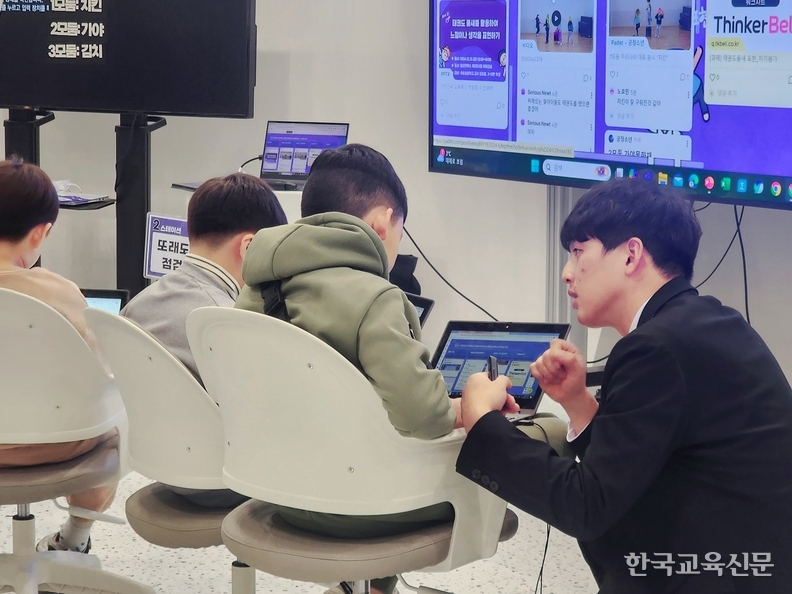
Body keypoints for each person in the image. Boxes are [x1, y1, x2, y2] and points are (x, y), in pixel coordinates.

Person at [237, 144, 569, 594]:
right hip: (365, 506)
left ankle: (369, 587)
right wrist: (472, 406)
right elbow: (424, 418)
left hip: (280, 495)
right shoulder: (377, 298)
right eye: (399, 233)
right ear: (382, 222)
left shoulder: (253, 293)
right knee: (549, 428)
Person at [455, 178, 792, 593]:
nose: (566, 273)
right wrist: (577, 402)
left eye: (578, 252)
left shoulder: (656, 347)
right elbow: (637, 463)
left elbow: (587, 505)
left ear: (631, 254)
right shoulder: (702, 323)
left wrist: (482, 421)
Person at [123, 173, 287, 508]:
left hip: (163, 469)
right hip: (230, 480)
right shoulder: (223, 322)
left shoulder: (137, 307)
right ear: (249, 246)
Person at [0, 157, 118, 553]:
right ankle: (74, 537)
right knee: (115, 418)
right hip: (59, 445)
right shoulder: (60, 291)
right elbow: (98, 375)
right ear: (40, 232)